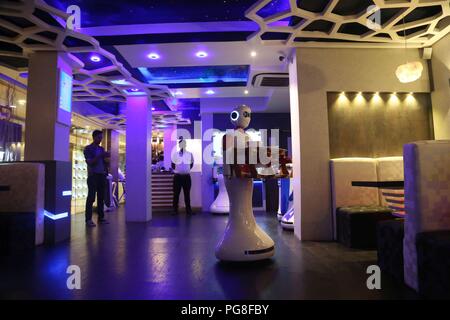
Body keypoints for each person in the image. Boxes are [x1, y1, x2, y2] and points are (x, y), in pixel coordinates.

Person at [84, 130, 110, 227]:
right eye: (99, 137)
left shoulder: (101, 149)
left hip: (101, 175)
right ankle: (88, 219)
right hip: (93, 176)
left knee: (101, 197)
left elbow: (105, 162)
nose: (100, 139)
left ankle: (101, 218)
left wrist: (107, 159)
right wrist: (100, 156)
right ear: (94, 137)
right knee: (91, 198)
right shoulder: (88, 149)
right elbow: (90, 162)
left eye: (101, 138)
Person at [171, 137, 194, 215]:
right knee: (176, 194)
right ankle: (175, 210)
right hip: (177, 177)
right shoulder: (175, 154)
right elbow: (172, 165)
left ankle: (188, 210)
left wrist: (185, 170)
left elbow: (191, 164)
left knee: (187, 194)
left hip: (187, 177)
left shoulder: (190, 154)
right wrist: (179, 171)